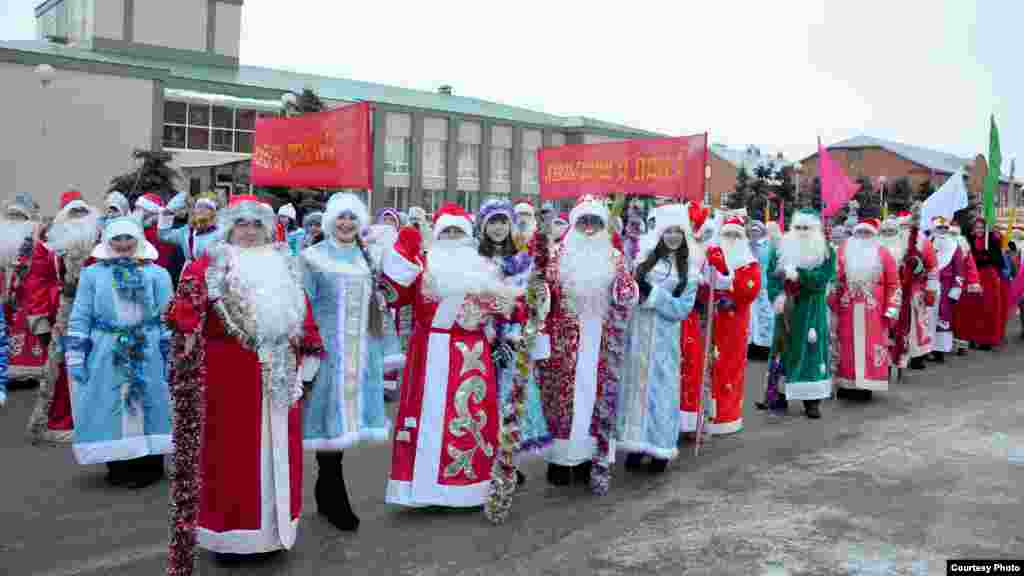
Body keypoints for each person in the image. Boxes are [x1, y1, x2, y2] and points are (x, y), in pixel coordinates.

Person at [165, 195, 323, 568]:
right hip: (229, 376)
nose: (249, 232)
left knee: (277, 453)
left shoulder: (284, 265)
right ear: (229, 227)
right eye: (242, 224)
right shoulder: (208, 264)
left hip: (281, 373)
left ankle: (271, 532)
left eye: (256, 225)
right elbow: (184, 309)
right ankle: (231, 537)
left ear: (267, 229)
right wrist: (186, 323)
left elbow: (303, 313)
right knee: (232, 456)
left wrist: (310, 351)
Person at [380, 203, 524, 508]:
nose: (453, 236)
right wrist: (405, 242)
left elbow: (509, 306)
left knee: (467, 417)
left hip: (469, 354)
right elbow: (394, 294)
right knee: (426, 417)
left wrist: (521, 303)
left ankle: (466, 488)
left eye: (459, 230)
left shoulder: (484, 267)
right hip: (428, 349)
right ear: (438, 233)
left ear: (469, 234)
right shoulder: (423, 263)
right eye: (447, 231)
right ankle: (422, 489)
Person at [537, 195, 639, 493]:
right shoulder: (558, 254)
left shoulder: (615, 257)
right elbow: (545, 291)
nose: (590, 228)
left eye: (595, 222)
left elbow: (627, 294)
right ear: (575, 224)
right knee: (561, 401)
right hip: (564, 341)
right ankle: (561, 461)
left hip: (600, 338)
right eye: (584, 221)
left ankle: (590, 460)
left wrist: (626, 286)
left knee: (595, 399)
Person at [300, 193, 391, 531]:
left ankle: (326, 490)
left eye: (353, 218)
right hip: (326, 353)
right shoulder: (311, 257)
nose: (346, 224)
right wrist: (307, 352)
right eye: (341, 217)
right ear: (329, 221)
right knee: (328, 422)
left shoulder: (366, 258)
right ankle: (333, 493)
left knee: (345, 424)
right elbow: (302, 305)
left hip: (361, 351)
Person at [66, 216, 172, 487]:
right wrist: (77, 354)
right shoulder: (92, 275)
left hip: (146, 348)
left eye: (129, 238)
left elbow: (168, 317)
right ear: (107, 241)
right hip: (106, 349)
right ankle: (118, 465)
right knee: (109, 403)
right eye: (117, 239)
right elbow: (80, 316)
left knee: (149, 403)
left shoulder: (157, 274)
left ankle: (149, 467)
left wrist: (171, 353)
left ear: (139, 240)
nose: (123, 244)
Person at [476, 199, 551, 485]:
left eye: (503, 222)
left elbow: (527, 302)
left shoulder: (521, 260)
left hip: (511, 340)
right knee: (483, 398)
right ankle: (483, 456)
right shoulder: (475, 258)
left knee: (510, 397)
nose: (498, 227)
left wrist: (514, 326)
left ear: (510, 225)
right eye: (493, 222)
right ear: (483, 226)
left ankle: (508, 457)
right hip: (480, 339)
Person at [618, 203, 698, 473]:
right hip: (638, 336)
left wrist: (652, 294)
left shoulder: (690, 271)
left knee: (661, 392)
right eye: (668, 231)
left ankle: (659, 447)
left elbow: (682, 309)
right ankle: (636, 444)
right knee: (636, 390)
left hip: (664, 340)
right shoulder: (644, 261)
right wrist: (634, 292)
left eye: (678, 231)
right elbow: (628, 294)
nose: (673, 236)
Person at [25, 191, 101, 443]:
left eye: (82, 213)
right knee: (64, 365)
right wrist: (41, 317)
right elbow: (37, 281)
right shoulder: (48, 248)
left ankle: (100, 421)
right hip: (63, 311)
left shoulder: (103, 242)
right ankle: (62, 420)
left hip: (99, 314)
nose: (78, 219)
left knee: (99, 363)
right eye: (73, 214)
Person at [766, 209, 835, 419]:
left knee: (811, 353)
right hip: (787, 308)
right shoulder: (780, 249)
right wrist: (776, 296)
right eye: (798, 227)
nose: (802, 232)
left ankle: (812, 401)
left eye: (807, 228)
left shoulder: (826, 251)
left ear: (815, 229)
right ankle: (778, 395)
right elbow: (771, 275)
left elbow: (824, 278)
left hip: (811, 309)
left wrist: (800, 276)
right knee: (783, 349)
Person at [829, 218, 900, 400]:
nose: (863, 236)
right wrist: (832, 299)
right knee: (846, 346)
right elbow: (834, 280)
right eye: (860, 233)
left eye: (867, 233)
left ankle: (866, 385)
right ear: (854, 234)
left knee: (870, 347)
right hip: (848, 308)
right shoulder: (844, 252)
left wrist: (891, 311)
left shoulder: (883, 253)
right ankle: (846, 383)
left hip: (873, 311)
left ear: (874, 235)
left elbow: (894, 284)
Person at [706, 215, 761, 433]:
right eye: (727, 234)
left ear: (742, 238)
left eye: (735, 235)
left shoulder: (749, 262)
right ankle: (706, 416)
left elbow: (751, 288)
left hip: (734, 323)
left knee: (730, 366)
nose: (730, 238)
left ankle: (726, 417)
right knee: (708, 366)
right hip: (711, 320)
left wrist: (732, 294)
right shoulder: (712, 256)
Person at [879, 213, 937, 371]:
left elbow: (930, 266)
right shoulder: (879, 246)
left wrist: (930, 288)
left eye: (906, 227)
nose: (904, 231)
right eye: (886, 231)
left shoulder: (921, 243)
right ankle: (891, 357)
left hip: (913, 290)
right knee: (892, 326)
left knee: (915, 325)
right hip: (888, 292)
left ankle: (918, 356)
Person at [2, 193, 47, 384]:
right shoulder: (32, 228)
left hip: (25, 284)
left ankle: (23, 368)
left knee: (23, 322)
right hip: (15, 283)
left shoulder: (32, 230)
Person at [958, 217, 1006, 350]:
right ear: (973, 229)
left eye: (981, 227)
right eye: (976, 227)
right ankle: (973, 337)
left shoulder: (992, 240)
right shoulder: (967, 241)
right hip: (973, 276)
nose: (979, 230)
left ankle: (987, 339)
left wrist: (987, 256)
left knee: (989, 307)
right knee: (973, 308)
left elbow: (999, 261)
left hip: (989, 277)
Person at [927, 217, 965, 362]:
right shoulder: (927, 243)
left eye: (944, 228)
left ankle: (940, 350)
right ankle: (927, 349)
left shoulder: (955, 246)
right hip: (929, 286)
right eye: (939, 228)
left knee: (943, 317)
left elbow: (960, 268)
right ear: (934, 229)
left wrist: (956, 287)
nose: (942, 231)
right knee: (928, 317)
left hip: (946, 286)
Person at [158, 192, 221, 271]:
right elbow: (163, 235)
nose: (202, 210)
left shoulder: (221, 232)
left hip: (212, 275)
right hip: (190, 275)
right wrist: (169, 211)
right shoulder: (186, 231)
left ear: (213, 213)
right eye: (199, 206)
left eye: (207, 207)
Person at [950, 222, 982, 354]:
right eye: (950, 234)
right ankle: (945, 344)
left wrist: (973, 282)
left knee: (961, 318)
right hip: (946, 286)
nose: (952, 237)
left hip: (962, 289)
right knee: (947, 317)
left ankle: (961, 344)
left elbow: (971, 268)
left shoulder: (965, 251)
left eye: (954, 234)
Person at [748, 219, 775, 357]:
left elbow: (770, 266)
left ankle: (764, 348)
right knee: (751, 319)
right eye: (752, 230)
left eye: (757, 230)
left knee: (765, 317)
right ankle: (751, 347)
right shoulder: (746, 245)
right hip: (748, 286)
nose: (754, 233)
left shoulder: (767, 247)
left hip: (763, 287)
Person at [134, 193, 176, 271]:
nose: (136, 212)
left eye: (140, 209)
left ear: (151, 211)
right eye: (136, 208)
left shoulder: (159, 230)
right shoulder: (141, 227)